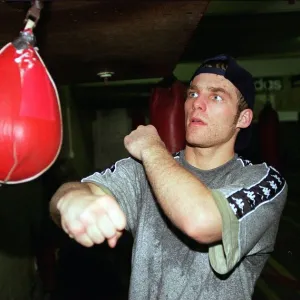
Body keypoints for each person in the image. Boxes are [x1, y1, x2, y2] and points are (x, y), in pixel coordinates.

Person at [49, 54, 287, 300]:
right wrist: (71, 201)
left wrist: (151, 148)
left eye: (216, 96)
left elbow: (201, 222)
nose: (197, 104)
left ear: (243, 118)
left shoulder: (262, 181)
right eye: (193, 94)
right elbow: (76, 191)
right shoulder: (144, 170)